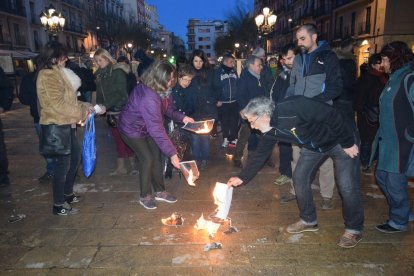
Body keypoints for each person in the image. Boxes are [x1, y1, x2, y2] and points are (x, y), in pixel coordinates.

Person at [227, 96, 364, 248]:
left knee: (347, 185)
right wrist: (242, 177)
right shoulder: (269, 130)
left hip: (340, 140)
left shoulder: (294, 106)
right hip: (314, 146)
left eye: (252, 121)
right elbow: (261, 154)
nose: (252, 127)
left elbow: (332, 114)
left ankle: (354, 229)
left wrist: (347, 142)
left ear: (265, 115)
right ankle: (308, 220)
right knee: (299, 178)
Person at [118, 60, 194, 210]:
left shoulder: (162, 89)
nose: (172, 81)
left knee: (156, 156)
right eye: (170, 78)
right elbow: (157, 129)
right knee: (147, 158)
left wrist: (182, 117)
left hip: (146, 127)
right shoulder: (148, 96)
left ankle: (160, 191)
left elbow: (167, 108)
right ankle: (145, 195)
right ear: (159, 77)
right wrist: (173, 154)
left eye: (173, 77)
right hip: (131, 129)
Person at [36, 41, 99, 215]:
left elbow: (69, 101)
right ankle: (58, 205)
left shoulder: (59, 73)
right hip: (56, 126)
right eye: (64, 56)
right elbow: (57, 104)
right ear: (55, 57)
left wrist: (84, 105)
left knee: (74, 160)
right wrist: (81, 112)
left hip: (66, 124)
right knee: (62, 167)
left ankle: (68, 194)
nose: (67, 59)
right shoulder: (48, 75)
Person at [284, 23, 341, 209]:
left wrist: (315, 103)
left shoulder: (328, 57)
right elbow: (293, 85)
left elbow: (336, 87)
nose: (299, 42)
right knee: (296, 155)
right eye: (297, 39)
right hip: (299, 116)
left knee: (323, 157)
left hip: (320, 116)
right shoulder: (299, 60)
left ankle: (327, 195)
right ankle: (296, 189)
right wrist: (286, 104)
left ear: (314, 37)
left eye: (302, 38)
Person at [371, 41, 414, 233]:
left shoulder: (409, 78)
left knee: (394, 182)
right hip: (387, 141)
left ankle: (399, 220)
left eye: (386, 59)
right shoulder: (394, 78)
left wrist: (409, 135)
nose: (383, 64)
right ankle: (404, 211)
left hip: (401, 143)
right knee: (381, 176)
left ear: (396, 59)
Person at [94, 48, 136, 176]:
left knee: (127, 139)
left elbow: (121, 94)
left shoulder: (117, 72)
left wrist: (105, 106)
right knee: (118, 139)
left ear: (106, 58)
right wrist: (98, 107)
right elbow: (100, 94)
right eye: (96, 61)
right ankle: (121, 167)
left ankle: (132, 166)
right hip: (110, 112)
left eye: (99, 60)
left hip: (121, 111)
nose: (97, 63)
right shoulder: (100, 74)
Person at [19, 68, 55, 183]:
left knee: (46, 145)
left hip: (39, 117)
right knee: (58, 144)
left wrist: (34, 101)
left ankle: (52, 170)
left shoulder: (30, 78)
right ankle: (57, 170)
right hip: (54, 116)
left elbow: (23, 98)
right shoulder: (53, 75)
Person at [185, 49, 218, 170]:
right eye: (196, 61)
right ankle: (197, 159)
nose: (198, 63)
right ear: (192, 61)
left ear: (204, 62)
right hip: (193, 111)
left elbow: (216, 88)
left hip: (207, 110)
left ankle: (204, 159)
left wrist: (211, 100)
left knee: (204, 137)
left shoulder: (210, 73)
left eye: (200, 61)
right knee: (194, 138)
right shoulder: (188, 73)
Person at [354, 54, 388, 171]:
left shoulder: (385, 78)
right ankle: (365, 162)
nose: (381, 65)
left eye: (382, 62)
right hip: (367, 115)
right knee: (367, 140)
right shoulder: (365, 78)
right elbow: (359, 99)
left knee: (378, 139)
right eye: (379, 62)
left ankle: (373, 160)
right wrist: (362, 110)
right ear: (373, 65)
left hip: (381, 114)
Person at [270, 44, 296, 187]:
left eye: (290, 58)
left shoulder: (302, 73)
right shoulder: (282, 73)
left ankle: (297, 175)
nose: (287, 61)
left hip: (297, 116)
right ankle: (285, 173)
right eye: (285, 58)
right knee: (285, 146)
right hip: (283, 115)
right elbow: (275, 92)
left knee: (297, 149)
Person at [233, 55, 266, 168]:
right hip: (249, 113)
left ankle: (264, 158)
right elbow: (240, 95)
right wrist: (244, 110)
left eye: (261, 65)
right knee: (244, 136)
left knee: (263, 136)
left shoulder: (258, 76)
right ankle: (237, 157)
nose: (261, 67)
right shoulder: (245, 77)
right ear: (251, 65)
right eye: (258, 65)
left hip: (260, 111)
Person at [164, 64, 196, 178]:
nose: (187, 82)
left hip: (186, 121)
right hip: (173, 121)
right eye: (185, 79)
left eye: (189, 80)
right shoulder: (172, 90)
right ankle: (168, 169)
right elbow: (169, 108)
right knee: (172, 145)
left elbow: (193, 105)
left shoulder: (190, 90)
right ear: (178, 77)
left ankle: (184, 169)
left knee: (185, 146)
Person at [213, 53, 239, 148]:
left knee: (234, 121)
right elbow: (214, 87)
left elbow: (237, 84)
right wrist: (217, 100)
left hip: (234, 101)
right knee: (224, 122)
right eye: (231, 62)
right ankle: (225, 139)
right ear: (225, 61)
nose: (233, 63)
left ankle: (233, 139)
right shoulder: (218, 72)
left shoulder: (234, 72)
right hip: (223, 102)